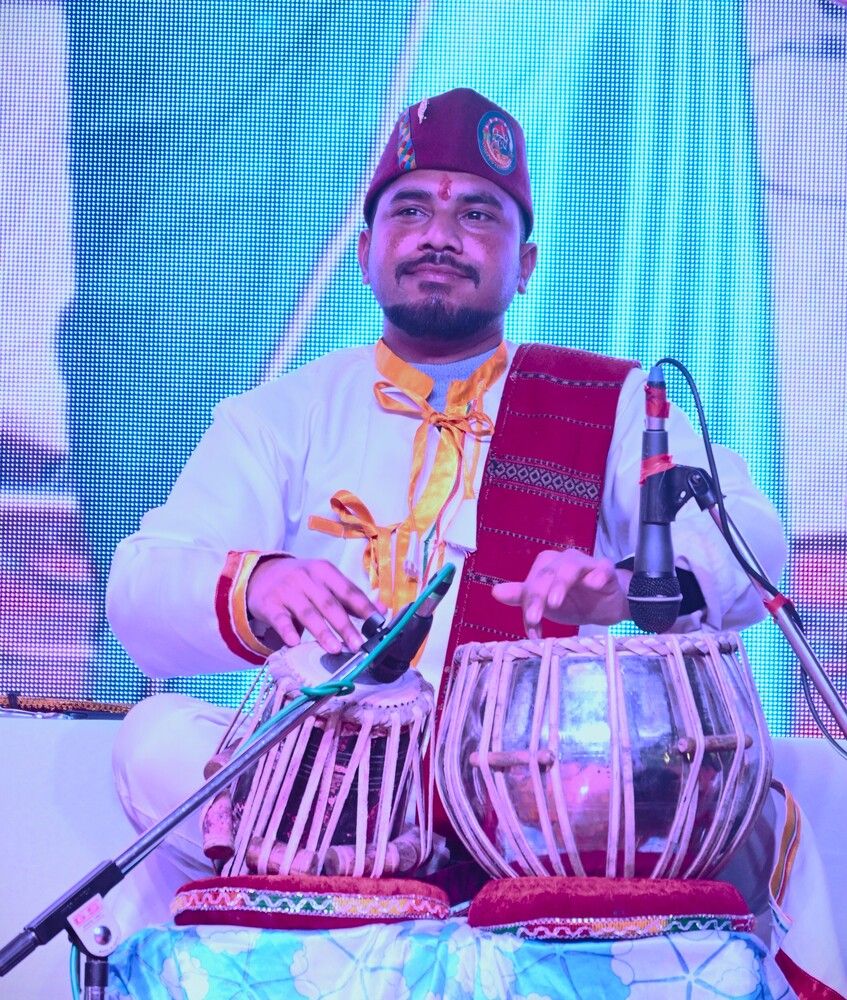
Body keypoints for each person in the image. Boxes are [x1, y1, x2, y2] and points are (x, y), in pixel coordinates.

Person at [107, 88, 785, 927]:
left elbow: (752, 538)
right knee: (152, 740)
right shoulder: (280, 414)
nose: (440, 235)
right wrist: (259, 586)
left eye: (477, 215)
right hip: (331, 774)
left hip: (532, 787)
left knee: (725, 785)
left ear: (525, 264)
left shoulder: (602, 402)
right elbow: (138, 590)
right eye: (411, 210)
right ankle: (373, 855)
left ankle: (376, 878)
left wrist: (616, 589)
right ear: (364, 251)